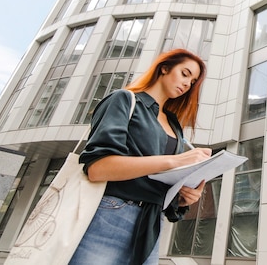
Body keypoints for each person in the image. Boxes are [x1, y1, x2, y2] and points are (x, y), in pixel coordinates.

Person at [69, 49, 212, 265]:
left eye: (192, 82)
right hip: (110, 215)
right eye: (184, 73)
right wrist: (175, 160)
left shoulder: (174, 125)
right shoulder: (124, 100)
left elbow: (158, 178)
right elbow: (98, 168)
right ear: (164, 68)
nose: (187, 84)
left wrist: (182, 198)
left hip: (151, 224)